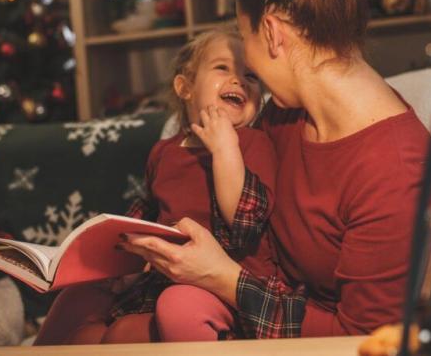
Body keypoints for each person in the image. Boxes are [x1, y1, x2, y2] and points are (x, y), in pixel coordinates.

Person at [119, 0, 431, 340]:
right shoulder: (285, 117)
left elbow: (363, 339)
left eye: (246, 40)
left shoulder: (395, 171)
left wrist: (222, 279)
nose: (245, 65)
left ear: (273, 33)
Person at [35, 29, 278, 345]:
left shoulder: (253, 142)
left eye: (251, 76)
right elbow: (145, 215)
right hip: (161, 278)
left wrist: (224, 148)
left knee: (133, 329)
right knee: (78, 301)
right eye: (223, 68)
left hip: (221, 286)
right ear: (185, 87)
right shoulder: (165, 151)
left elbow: (246, 223)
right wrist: (117, 262)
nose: (238, 80)